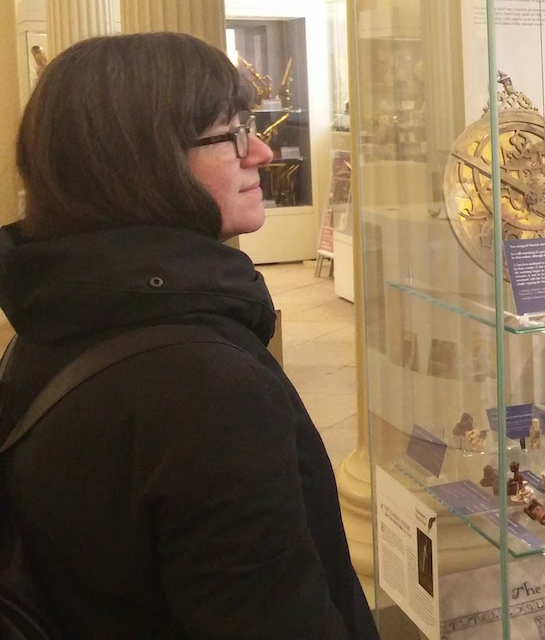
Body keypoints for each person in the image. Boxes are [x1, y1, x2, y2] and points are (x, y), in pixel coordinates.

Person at [0, 32, 378, 638]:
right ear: (142, 166)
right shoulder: (206, 388)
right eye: (231, 135)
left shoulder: (53, 322)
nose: (261, 151)